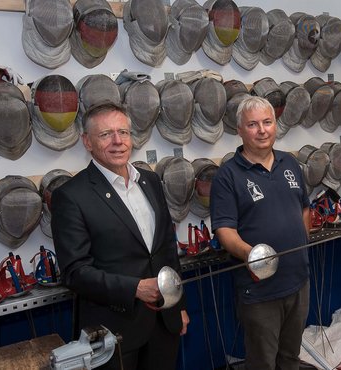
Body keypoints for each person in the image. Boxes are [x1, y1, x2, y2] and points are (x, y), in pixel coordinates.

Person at [52, 103, 189, 370]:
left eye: (123, 132)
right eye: (106, 134)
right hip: (113, 332)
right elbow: (75, 272)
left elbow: (166, 251)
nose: (118, 141)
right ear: (87, 142)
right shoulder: (71, 196)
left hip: (164, 324)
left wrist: (179, 305)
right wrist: (135, 288)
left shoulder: (150, 181)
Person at [210, 96, 312, 370]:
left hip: (299, 282)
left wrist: (300, 243)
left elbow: (304, 208)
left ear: (275, 126)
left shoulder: (289, 163)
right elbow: (224, 231)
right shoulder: (228, 176)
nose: (262, 130)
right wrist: (252, 255)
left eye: (267, 122)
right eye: (252, 124)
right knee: (262, 363)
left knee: (290, 359)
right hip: (259, 290)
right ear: (240, 130)